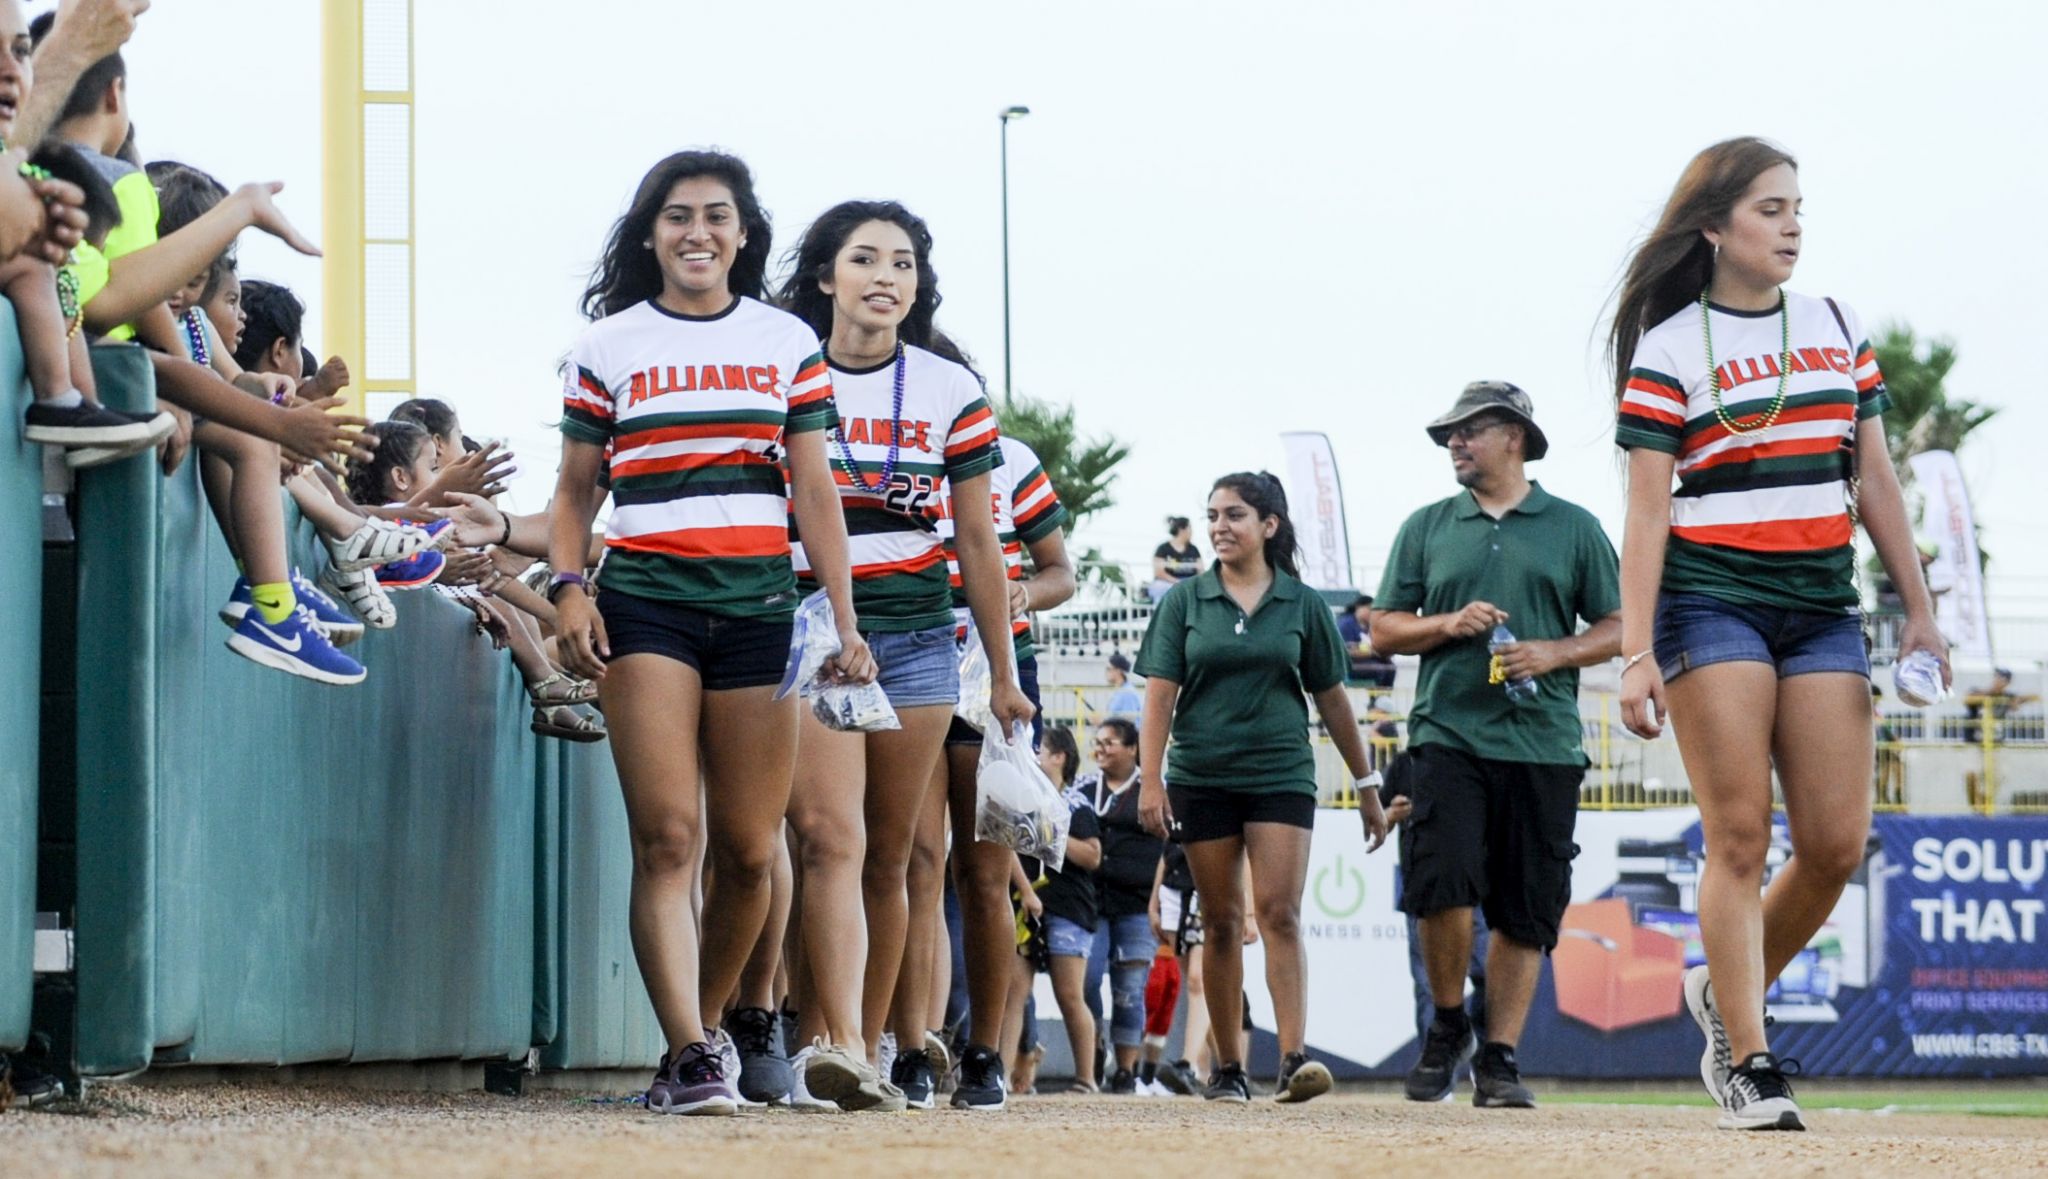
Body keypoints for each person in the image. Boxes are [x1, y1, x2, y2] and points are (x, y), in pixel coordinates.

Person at [1610, 137, 1947, 1131]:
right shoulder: (1668, 346)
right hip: (1708, 600)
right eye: (1768, 208)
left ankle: (1719, 990)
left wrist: (1918, 608)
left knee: (1839, 843)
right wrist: (1634, 650)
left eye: (1796, 206)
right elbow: (1643, 513)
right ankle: (1749, 1061)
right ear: (1711, 227)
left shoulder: (1835, 324)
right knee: (1740, 835)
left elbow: (1873, 478)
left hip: (1820, 609)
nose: (1791, 224)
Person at [548, 150, 874, 1117]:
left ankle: (716, 1027)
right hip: (645, 603)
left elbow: (813, 487)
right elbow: (575, 490)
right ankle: (689, 1049)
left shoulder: (785, 342)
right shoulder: (606, 345)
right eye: (677, 216)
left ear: (743, 233)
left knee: (747, 850)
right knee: (668, 838)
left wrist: (844, 620)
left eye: (717, 216)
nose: (698, 232)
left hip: (761, 611)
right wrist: (570, 589)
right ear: (650, 234)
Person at [773, 199, 1032, 1113]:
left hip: (922, 633)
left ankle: (870, 1049)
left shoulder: (948, 389)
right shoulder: (781, 369)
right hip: (810, 633)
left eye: (905, 264)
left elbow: (978, 539)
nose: (887, 277)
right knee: (822, 842)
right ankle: (818, 1037)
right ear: (824, 276)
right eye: (866, 259)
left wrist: (1002, 673)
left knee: (891, 856)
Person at [1370, 381, 1620, 1110]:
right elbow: (1383, 627)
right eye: (1450, 432)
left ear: (1513, 435)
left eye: (1468, 429)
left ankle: (1500, 1057)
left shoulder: (1573, 525)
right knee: (1439, 877)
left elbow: (1620, 625)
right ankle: (1449, 1022)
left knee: (1524, 906)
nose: (1454, 441)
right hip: (1447, 732)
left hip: (1543, 743)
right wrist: (1446, 624)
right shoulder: (1427, 524)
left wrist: (1553, 653)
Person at [1136, 472, 1389, 1104]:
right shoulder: (1183, 602)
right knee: (1220, 923)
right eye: (1213, 514)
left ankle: (1295, 1059)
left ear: (1269, 526)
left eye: (1235, 515)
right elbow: (1159, 695)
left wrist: (1366, 784)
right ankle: (1227, 1070)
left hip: (1281, 774)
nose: (1220, 526)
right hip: (1201, 778)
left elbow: (1334, 700)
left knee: (1279, 911)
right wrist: (1150, 780)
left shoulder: (1303, 605)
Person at [897, 429, 1072, 1110]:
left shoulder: (1010, 457)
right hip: (905, 651)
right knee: (913, 859)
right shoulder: (871, 438)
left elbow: (1061, 569)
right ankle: (910, 1046)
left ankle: (986, 1054)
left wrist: (1023, 592)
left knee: (984, 874)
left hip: (995, 669)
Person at [1074, 716, 1157, 1094]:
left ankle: (1126, 1070)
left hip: (1136, 905)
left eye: (1110, 742)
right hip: (1090, 903)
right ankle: (1094, 1044)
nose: (1101, 748)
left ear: (1132, 748)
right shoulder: (1083, 787)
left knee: (1130, 989)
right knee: (1085, 980)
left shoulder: (1153, 790)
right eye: (1098, 741)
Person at [1021, 725, 1102, 1093]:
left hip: (1068, 908)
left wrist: (1050, 832)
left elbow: (1092, 855)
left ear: (1059, 758)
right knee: (1015, 993)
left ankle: (1087, 1077)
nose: (1035, 754)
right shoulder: (1024, 795)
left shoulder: (1075, 803)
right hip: (1029, 905)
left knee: (1070, 995)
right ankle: (1005, 1075)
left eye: (1042, 749)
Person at [1338, 594, 1396, 687]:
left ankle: (1383, 698)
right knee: (1379, 670)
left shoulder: (1370, 625)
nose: (1372, 613)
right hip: (1350, 664)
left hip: (1368, 660)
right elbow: (1346, 652)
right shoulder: (1345, 624)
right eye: (1370, 609)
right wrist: (1373, 652)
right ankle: (1377, 698)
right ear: (1358, 608)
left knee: (1390, 668)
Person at [1149, 515, 1201, 602]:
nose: (1192, 532)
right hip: (1167, 583)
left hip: (1189, 583)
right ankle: (1163, 615)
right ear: (1182, 530)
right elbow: (1159, 572)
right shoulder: (1163, 548)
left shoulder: (1193, 549)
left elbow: (1200, 571)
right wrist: (1178, 582)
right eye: (1190, 528)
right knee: (1160, 588)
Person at [1102, 652, 1143, 720]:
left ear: (1119, 671)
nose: (1106, 672)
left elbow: (1128, 722)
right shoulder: (1121, 692)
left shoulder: (1127, 693)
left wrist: (1102, 722)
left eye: (1108, 669)